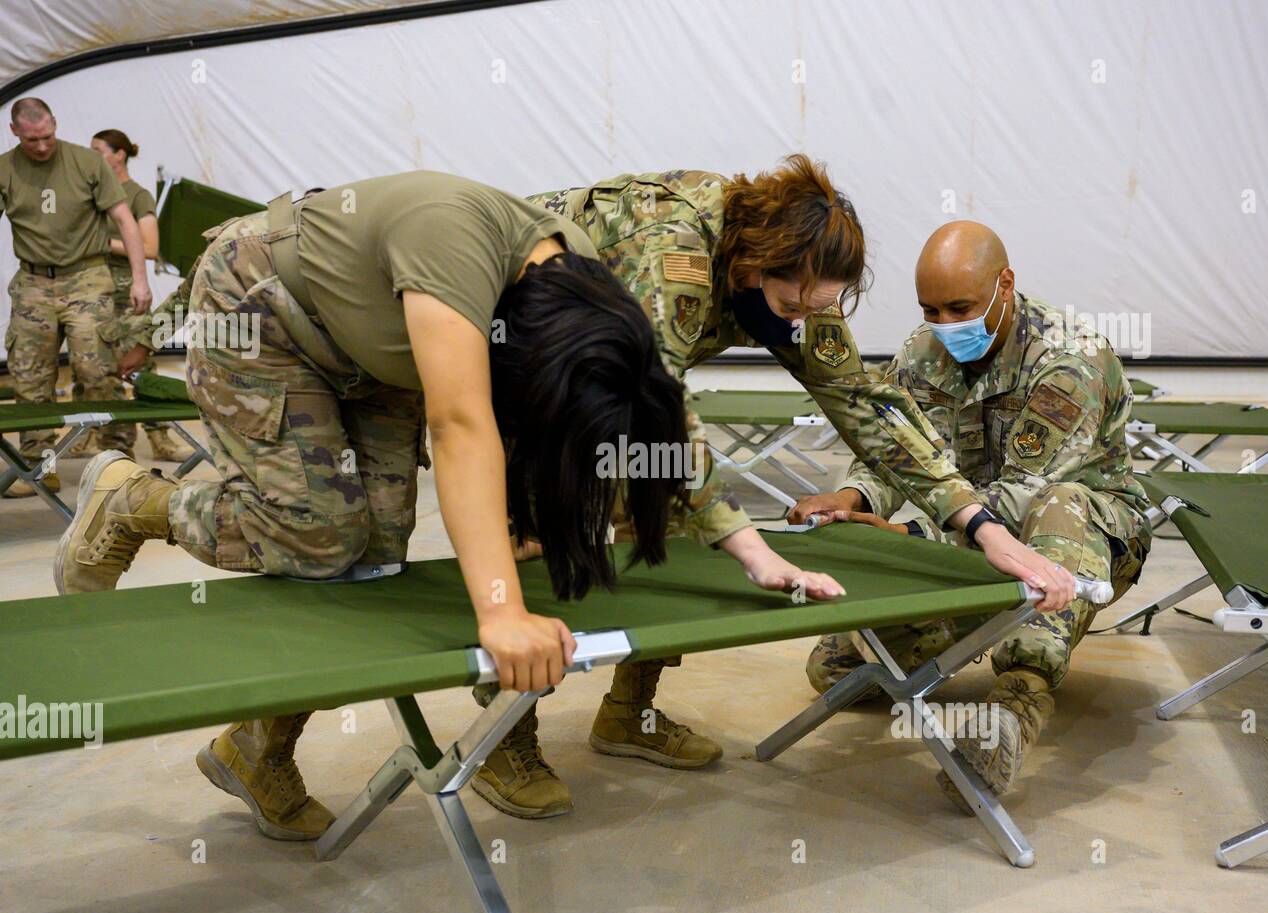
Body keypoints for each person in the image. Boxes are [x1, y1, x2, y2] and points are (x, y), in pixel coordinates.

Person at [55, 170, 844, 840]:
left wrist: (733, 541)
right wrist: (500, 610)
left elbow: (599, 409)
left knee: (378, 565)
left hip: (379, 351)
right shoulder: (454, 248)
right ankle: (133, 499)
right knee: (323, 537)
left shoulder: (584, 291)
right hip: (265, 309)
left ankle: (253, 750)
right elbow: (464, 424)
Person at [460, 158, 1077, 820]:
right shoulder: (672, 253)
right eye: (787, 309)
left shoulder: (800, 277)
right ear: (749, 270)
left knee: (666, 537)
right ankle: (504, 742)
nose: (798, 326)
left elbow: (867, 404)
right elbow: (654, 404)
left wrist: (980, 524)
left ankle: (627, 717)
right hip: (509, 362)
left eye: (815, 311)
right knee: (526, 543)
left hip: (613, 364)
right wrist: (749, 543)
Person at [791, 221, 1152, 806]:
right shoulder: (921, 350)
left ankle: (1016, 703)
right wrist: (852, 499)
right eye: (929, 310)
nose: (942, 325)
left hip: (1080, 534)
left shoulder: (1070, 359)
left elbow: (1023, 493)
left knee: (1061, 505)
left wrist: (909, 534)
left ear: (1004, 283)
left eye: (957, 307)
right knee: (836, 668)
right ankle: (978, 627)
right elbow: (899, 450)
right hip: (972, 534)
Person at [0, 98, 150, 497]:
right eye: (33, 140)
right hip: (33, 282)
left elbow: (124, 220)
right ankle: (38, 465)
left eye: (48, 136)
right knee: (31, 378)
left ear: (55, 125)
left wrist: (140, 280)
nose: (43, 146)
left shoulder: (87, 162)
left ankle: (115, 461)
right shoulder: (4, 168)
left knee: (96, 371)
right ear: (15, 132)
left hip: (87, 276)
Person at [79, 128, 191, 461]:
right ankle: (97, 437)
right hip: (92, 291)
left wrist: (103, 245)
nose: (92, 157)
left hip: (127, 293)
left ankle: (161, 437)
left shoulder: (136, 195)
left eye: (98, 150)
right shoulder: (90, 192)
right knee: (91, 366)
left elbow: (150, 248)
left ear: (119, 154)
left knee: (141, 367)